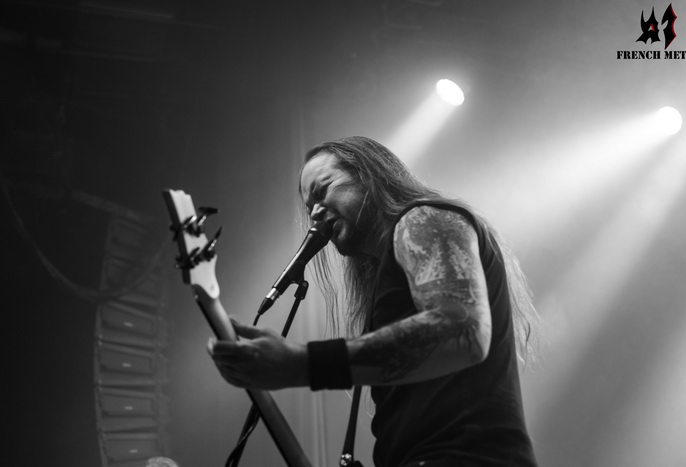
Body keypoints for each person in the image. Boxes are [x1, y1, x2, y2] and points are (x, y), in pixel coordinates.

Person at [209, 136, 539, 466]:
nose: (316, 213)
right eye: (309, 208)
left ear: (368, 174)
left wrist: (302, 363)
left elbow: (460, 330)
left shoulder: (424, 219)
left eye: (323, 191)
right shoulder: (388, 275)